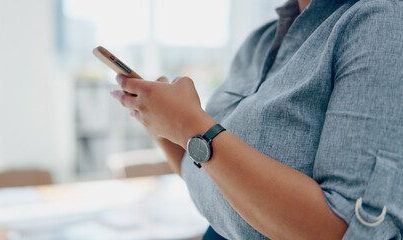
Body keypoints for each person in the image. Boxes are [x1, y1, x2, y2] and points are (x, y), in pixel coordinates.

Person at [110, 0, 403, 238]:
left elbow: (345, 231)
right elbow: (207, 169)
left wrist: (188, 124)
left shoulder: (379, 24)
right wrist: (164, 123)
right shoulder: (259, 43)